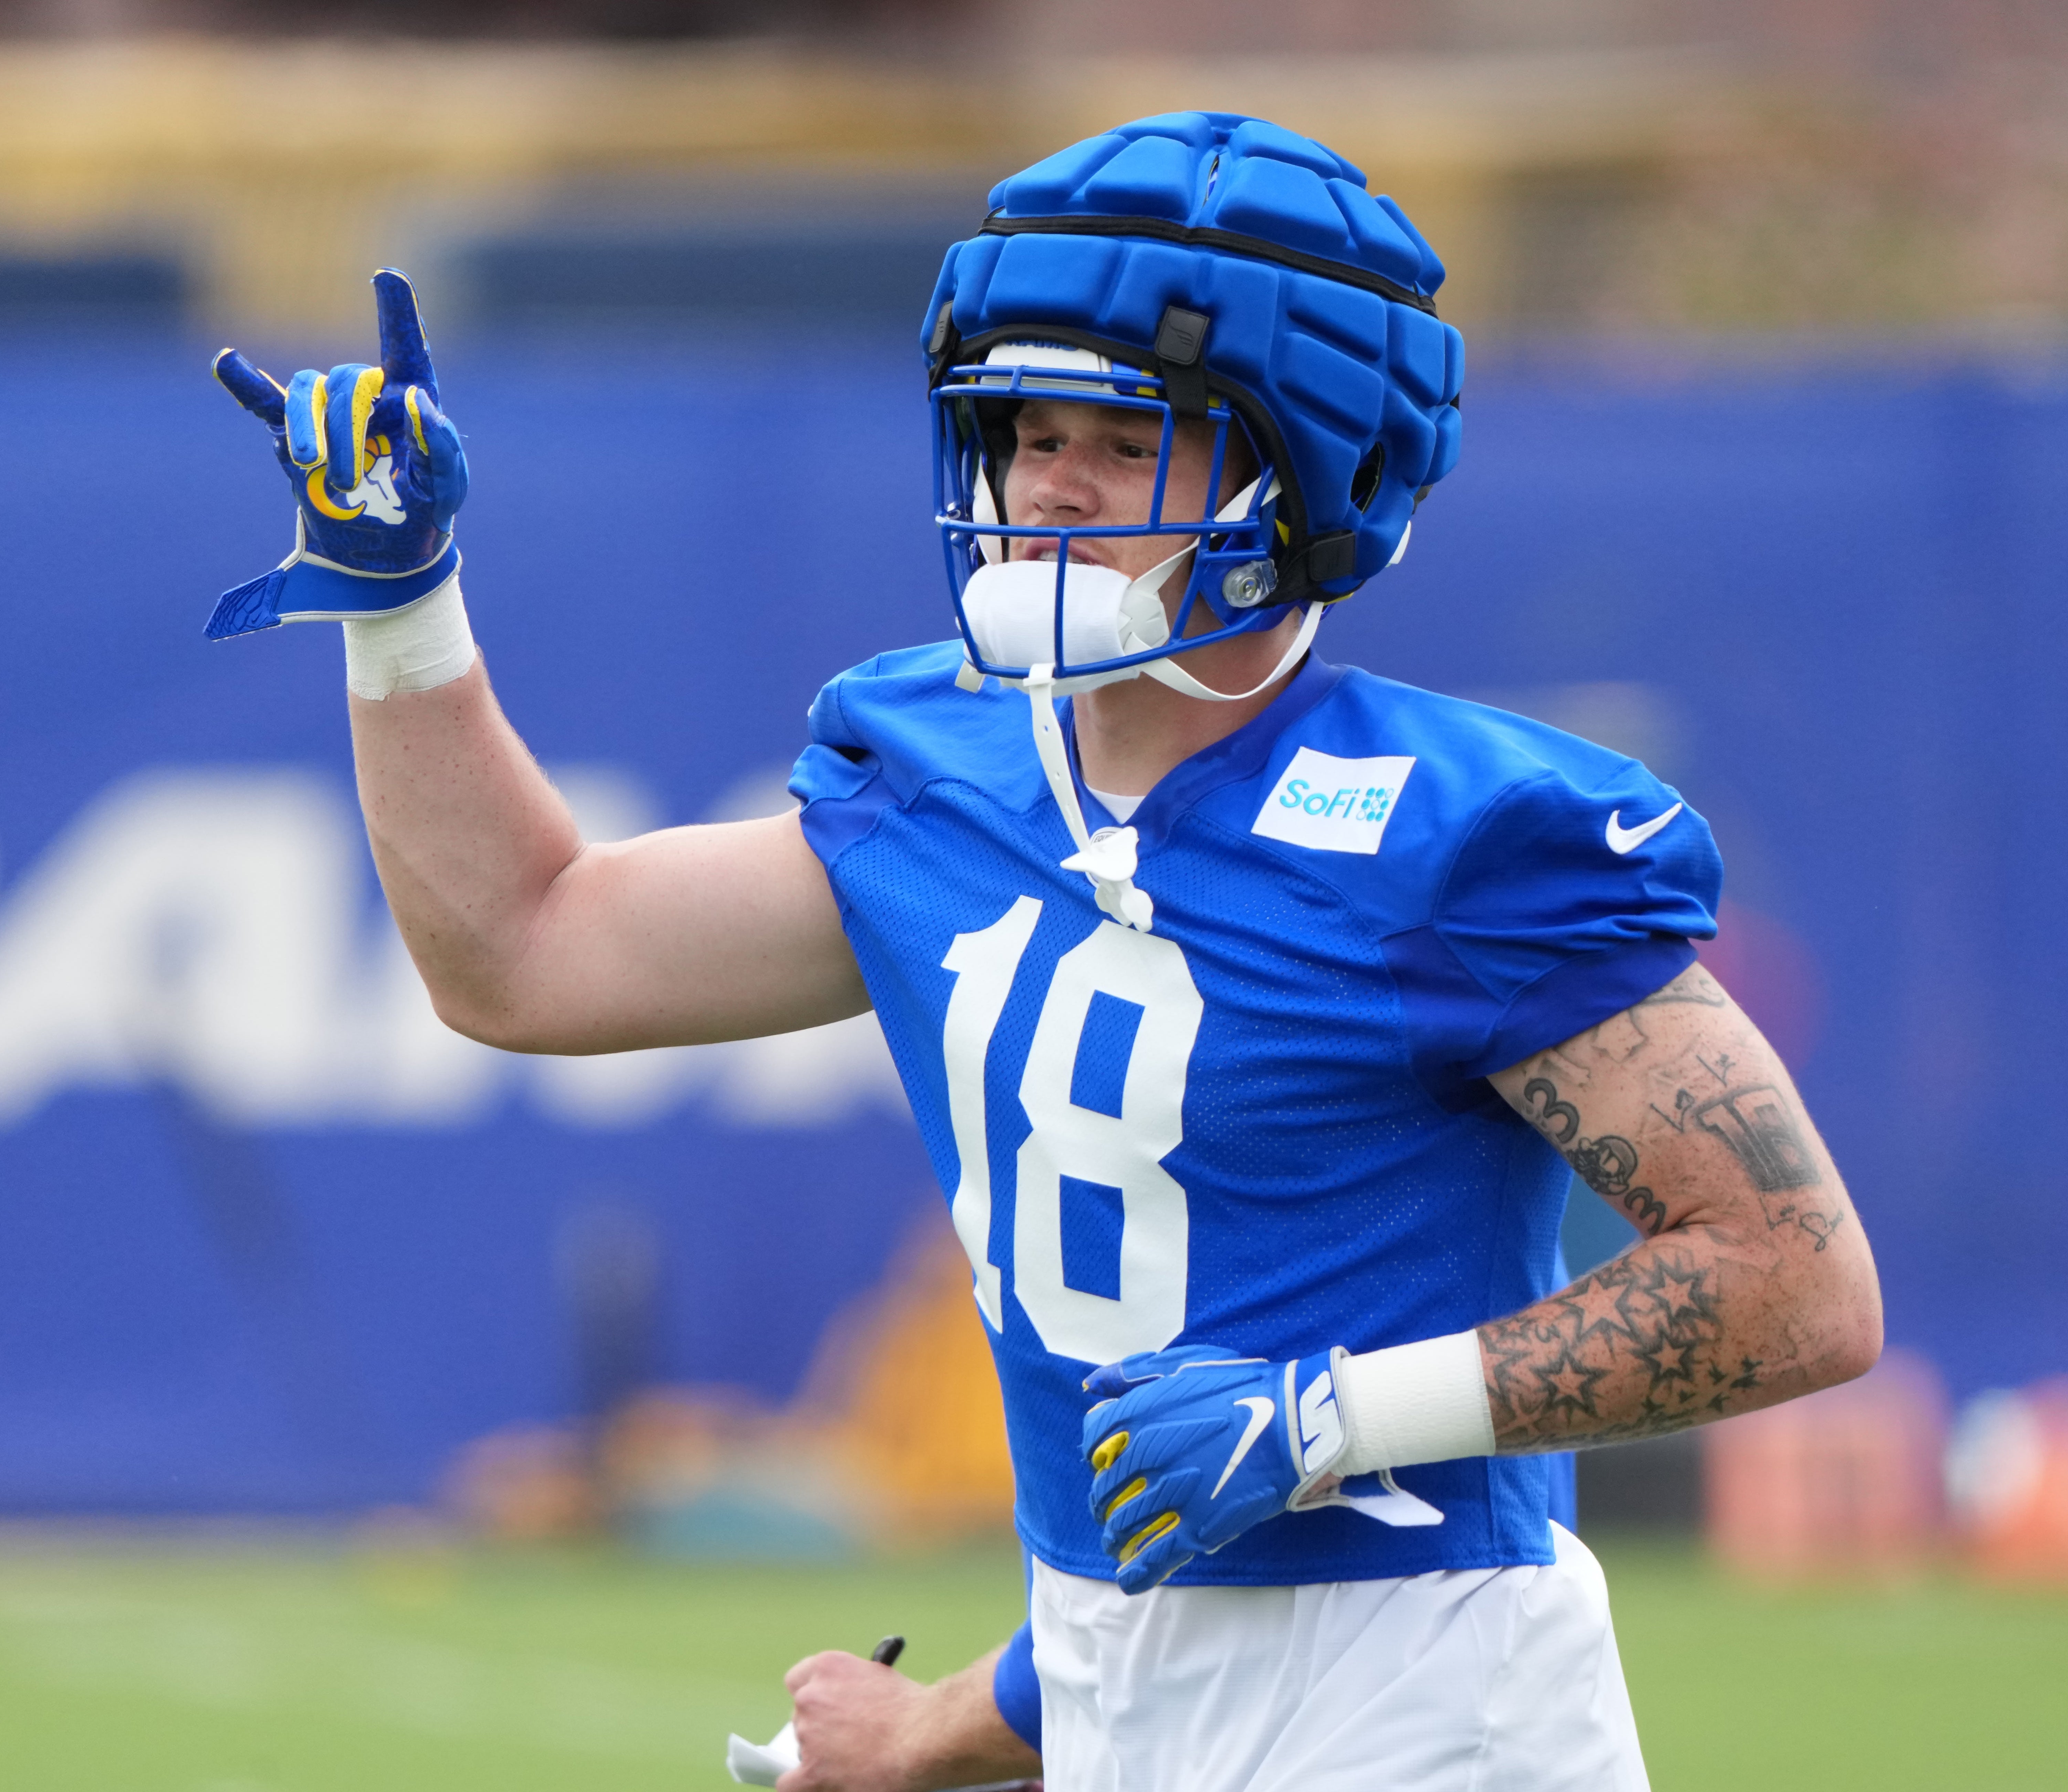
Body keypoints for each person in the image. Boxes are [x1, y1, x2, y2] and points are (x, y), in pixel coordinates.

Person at [207, 112, 1881, 1792]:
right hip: (1114, 1704)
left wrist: (1331, 1419)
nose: (1045, 486)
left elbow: (1796, 1275)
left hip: (1434, 1712)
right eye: (1021, 432)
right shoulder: (942, 772)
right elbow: (523, 954)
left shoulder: (1449, 830)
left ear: (1291, 473)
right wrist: (401, 602)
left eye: (1119, 435)